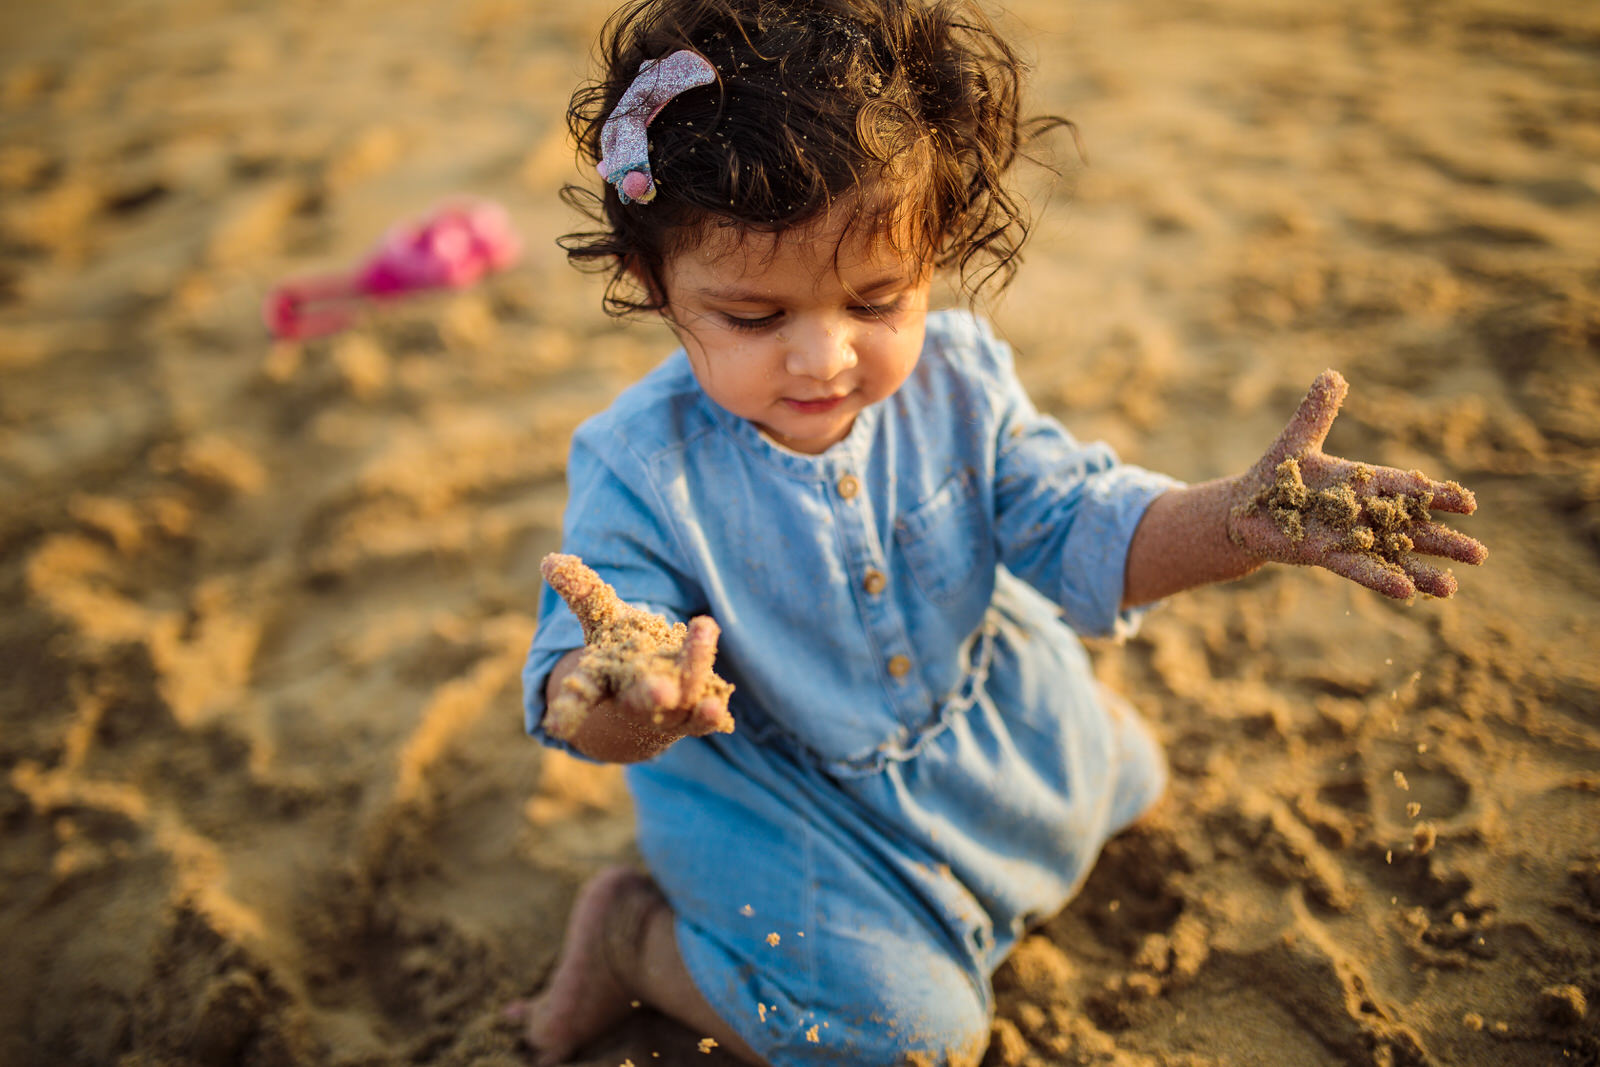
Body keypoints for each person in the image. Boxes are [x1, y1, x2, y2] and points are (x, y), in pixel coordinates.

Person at [505, 0, 1487, 1062]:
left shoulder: (961, 381)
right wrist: (634, 699)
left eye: (878, 299)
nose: (825, 358)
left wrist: (1237, 522)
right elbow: (603, 653)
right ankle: (636, 942)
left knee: (1126, 782)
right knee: (911, 1037)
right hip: (791, 804)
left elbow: (1077, 525)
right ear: (656, 284)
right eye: (757, 317)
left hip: (980, 718)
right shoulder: (638, 462)